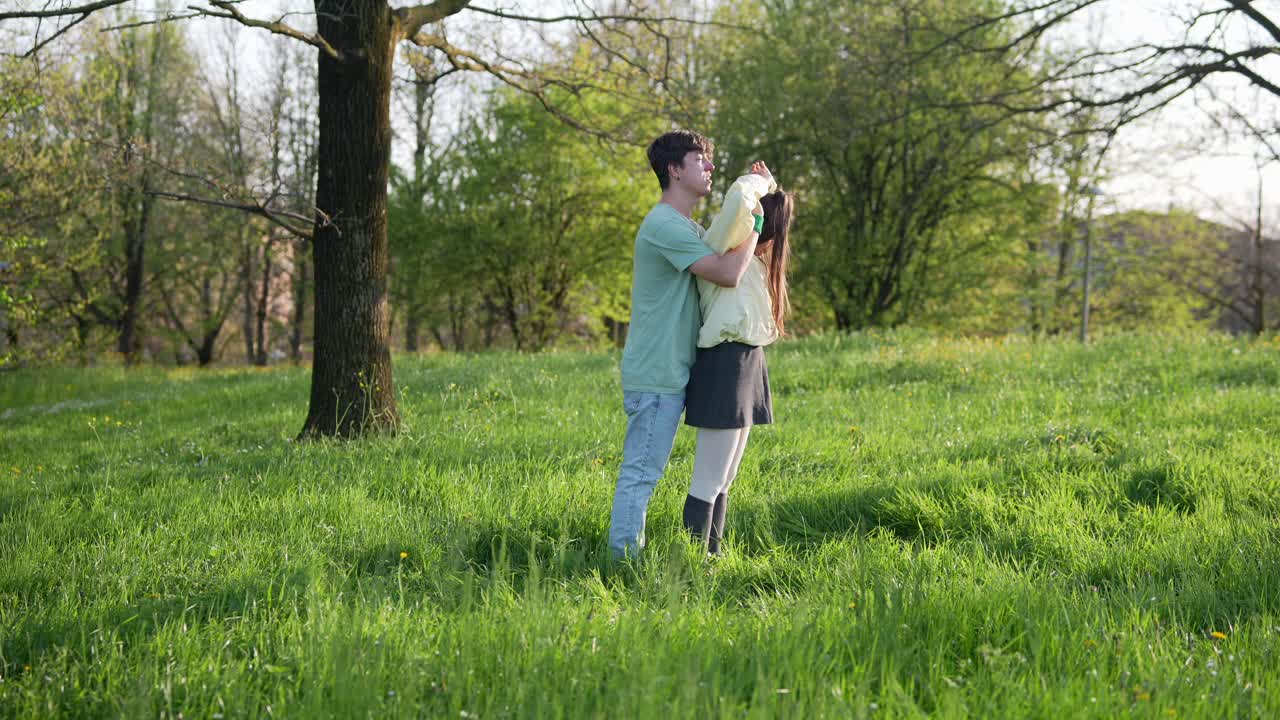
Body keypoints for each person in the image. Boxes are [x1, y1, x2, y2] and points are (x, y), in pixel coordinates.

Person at [607, 130, 768, 560]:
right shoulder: (662, 224)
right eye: (701, 160)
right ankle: (623, 562)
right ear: (674, 170)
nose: (711, 167)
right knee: (642, 473)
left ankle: (639, 558)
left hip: (677, 368)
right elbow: (728, 273)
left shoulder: (687, 227)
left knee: (648, 472)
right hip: (657, 370)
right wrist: (755, 222)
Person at [681, 167, 794, 556]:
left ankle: (713, 554)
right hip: (724, 363)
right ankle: (697, 561)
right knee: (709, 477)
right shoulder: (721, 246)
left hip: (749, 363)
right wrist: (761, 183)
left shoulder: (755, 264)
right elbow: (737, 205)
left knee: (727, 476)